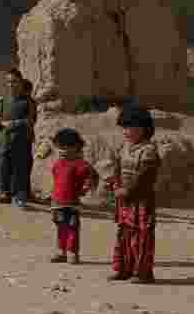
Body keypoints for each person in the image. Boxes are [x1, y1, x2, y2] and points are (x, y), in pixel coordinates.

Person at [107, 105, 161, 284]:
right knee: (124, 233)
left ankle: (142, 272)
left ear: (143, 128)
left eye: (130, 127)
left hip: (141, 201)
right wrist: (114, 184)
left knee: (141, 235)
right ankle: (123, 269)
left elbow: (144, 176)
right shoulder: (124, 147)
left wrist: (127, 191)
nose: (125, 131)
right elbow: (117, 167)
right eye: (124, 127)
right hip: (125, 202)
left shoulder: (148, 150)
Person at [48, 128, 99, 264]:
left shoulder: (80, 164)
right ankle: (61, 251)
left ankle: (72, 253)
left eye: (64, 148)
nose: (61, 151)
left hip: (72, 204)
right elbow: (57, 181)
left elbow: (91, 176)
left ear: (75, 147)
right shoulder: (58, 163)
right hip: (57, 203)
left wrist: (86, 187)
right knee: (61, 228)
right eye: (59, 148)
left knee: (72, 228)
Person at [0, 68, 34, 208]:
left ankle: (19, 195)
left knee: (20, 168)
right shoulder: (2, 102)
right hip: (4, 140)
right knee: (3, 166)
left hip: (21, 141)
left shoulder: (28, 102)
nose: (11, 84)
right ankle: (4, 192)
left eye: (14, 81)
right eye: (8, 82)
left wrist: (12, 124)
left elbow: (30, 120)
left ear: (20, 82)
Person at [22, 77, 39, 201]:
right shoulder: (30, 102)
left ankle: (24, 192)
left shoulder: (29, 103)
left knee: (25, 165)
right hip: (25, 137)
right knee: (24, 165)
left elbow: (31, 120)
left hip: (25, 138)